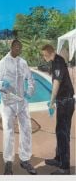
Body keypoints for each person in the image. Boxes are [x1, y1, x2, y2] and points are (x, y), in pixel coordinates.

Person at [0, 39, 37, 175]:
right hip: (8, 103)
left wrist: (29, 92)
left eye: (20, 48)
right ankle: (8, 162)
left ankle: (25, 159)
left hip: (22, 102)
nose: (18, 50)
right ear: (11, 47)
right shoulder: (2, 63)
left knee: (26, 129)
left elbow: (31, 79)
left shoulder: (23, 63)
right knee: (8, 132)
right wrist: (1, 84)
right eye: (16, 47)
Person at [41, 44, 75, 175]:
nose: (43, 57)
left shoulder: (58, 61)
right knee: (59, 130)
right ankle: (58, 158)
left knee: (63, 133)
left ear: (48, 52)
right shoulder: (55, 61)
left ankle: (65, 167)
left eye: (44, 54)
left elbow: (56, 83)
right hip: (63, 101)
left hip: (66, 101)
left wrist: (51, 102)